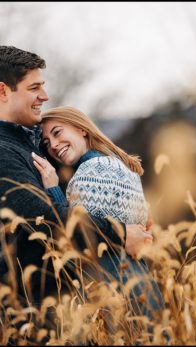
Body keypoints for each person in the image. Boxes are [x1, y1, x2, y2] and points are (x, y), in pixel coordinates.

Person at [0, 46, 153, 340]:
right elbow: (50, 218)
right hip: (34, 316)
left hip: (73, 309)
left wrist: (131, 211)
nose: (45, 96)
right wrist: (122, 233)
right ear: (3, 91)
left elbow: (78, 202)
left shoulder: (33, 143)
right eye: (34, 87)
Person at [32, 106, 165, 322]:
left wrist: (53, 189)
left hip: (115, 290)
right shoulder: (117, 165)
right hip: (139, 283)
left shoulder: (93, 172)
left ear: (82, 129)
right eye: (47, 143)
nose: (54, 145)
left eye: (57, 133)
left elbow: (78, 233)